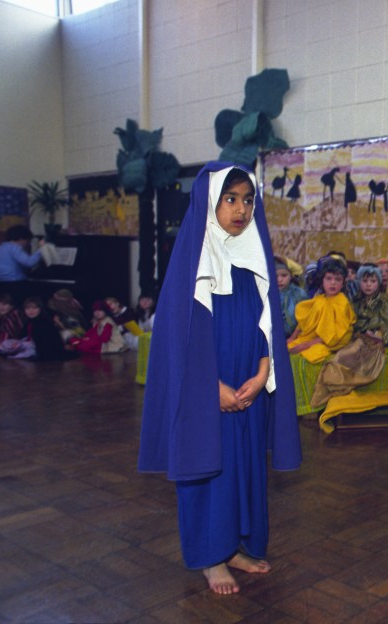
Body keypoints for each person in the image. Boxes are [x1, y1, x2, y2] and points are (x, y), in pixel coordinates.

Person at [138, 163, 301, 595]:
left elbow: (269, 323)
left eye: (248, 200)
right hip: (208, 391)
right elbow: (178, 342)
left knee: (244, 467)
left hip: (249, 385)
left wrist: (264, 370)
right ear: (209, 203)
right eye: (230, 199)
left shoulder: (253, 258)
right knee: (207, 468)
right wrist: (211, 388)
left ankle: (232, 547)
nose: (241, 209)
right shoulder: (192, 263)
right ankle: (210, 556)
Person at [309, 263, 388, 407]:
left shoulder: (384, 302)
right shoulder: (356, 301)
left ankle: (333, 387)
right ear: (358, 282)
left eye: (372, 281)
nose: (368, 285)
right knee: (341, 354)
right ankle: (333, 387)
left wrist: (378, 335)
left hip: (374, 343)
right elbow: (351, 323)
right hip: (358, 339)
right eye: (364, 281)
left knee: (343, 356)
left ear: (378, 282)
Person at [286, 258, 355, 363]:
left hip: (332, 341)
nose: (333, 283)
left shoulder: (342, 302)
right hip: (313, 338)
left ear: (343, 283)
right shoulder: (319, 298)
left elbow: (335, 334)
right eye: (329, 278)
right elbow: (304, 321)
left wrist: (307, 345)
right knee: (287, 347)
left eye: (337, 279)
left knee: (312, 354)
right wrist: (292, 337)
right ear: (322, 280)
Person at [0, 226, 45, 300]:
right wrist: (42, 249)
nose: (27, 244)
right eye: (27, 240)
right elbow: (29, 262)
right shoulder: (14, 247)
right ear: (21, 239)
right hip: (15, 284)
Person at [275, 260, 306, 337]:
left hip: (297, 336)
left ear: (291, 276)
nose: (279, 280)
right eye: (275, 276)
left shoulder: (299, 294)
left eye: (284, 275)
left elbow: (306, 319)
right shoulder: (266, 294)